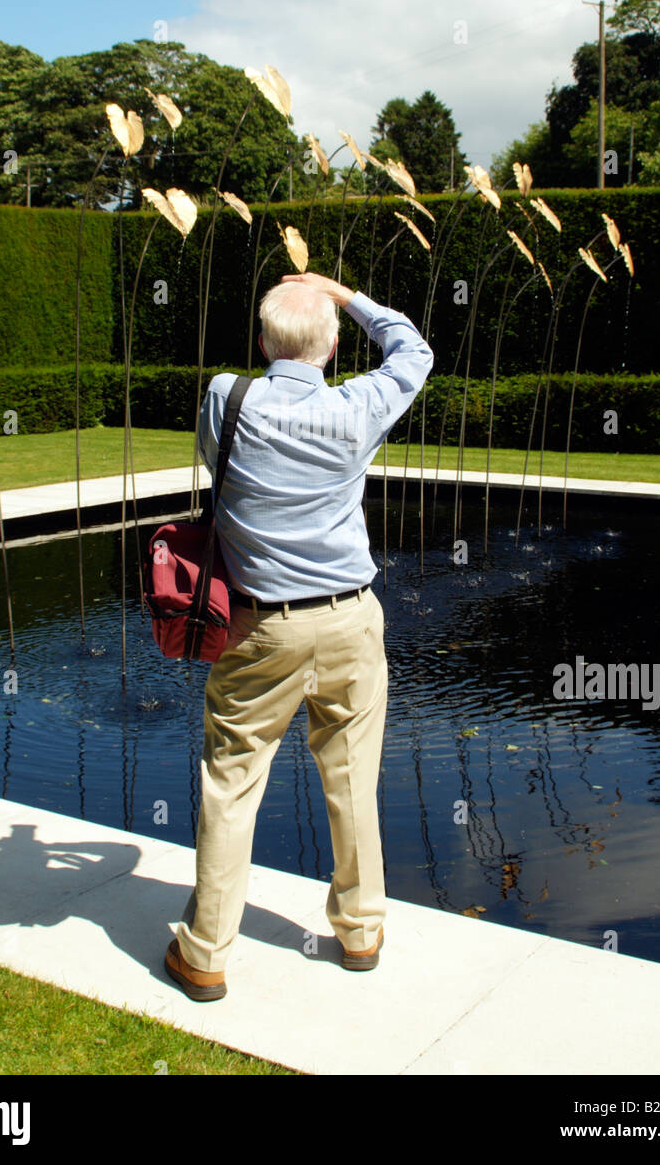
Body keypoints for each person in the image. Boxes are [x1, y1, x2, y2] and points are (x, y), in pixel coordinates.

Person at [164, 271, 433, 1000]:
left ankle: (208, 953)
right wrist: (344, 294)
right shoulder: (359, 405)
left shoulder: (229, 396)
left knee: (231, 785)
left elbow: (211, 466)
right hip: (349, 619)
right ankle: (360, 933)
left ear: (261, 341)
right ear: (336, 344)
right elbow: (413, 349)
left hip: (258, 627)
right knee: (351, 781)